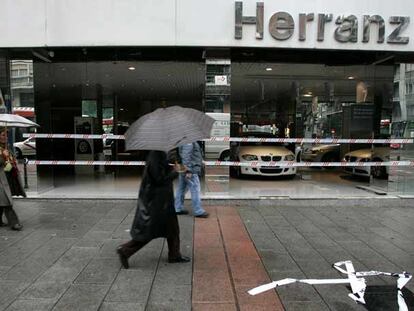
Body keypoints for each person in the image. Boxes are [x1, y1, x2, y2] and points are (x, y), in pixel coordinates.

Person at [116, 150, 190, 269]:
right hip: (156, 202)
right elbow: (159, 179)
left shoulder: (159, 153)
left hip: (162, 200)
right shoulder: (156, 155)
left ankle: (174, 254)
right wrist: (175, 172)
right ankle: (125, 250)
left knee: (172, 228)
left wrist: (173, 164)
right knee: (148, 232)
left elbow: (162, 170)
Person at [174, 142, 209, 218]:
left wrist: (200, 160)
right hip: (191, 170)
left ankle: (178, 208)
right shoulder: (188, 141)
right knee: (195, 189)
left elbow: (191, 154)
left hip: (185, 168)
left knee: (181, 189)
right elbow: (186, 156)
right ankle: (198, 210)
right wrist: (188, 170)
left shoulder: (185, 139)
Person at [0, 127, 24, 230]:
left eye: (6, 135)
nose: (6, 137)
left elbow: (9, 162)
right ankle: (14, 223)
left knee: (2, 200)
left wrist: (11, 158)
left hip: (7, 177)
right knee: (6, 201)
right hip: (1, 179)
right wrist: (2, 157)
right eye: (3, 135)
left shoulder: (6, 147)